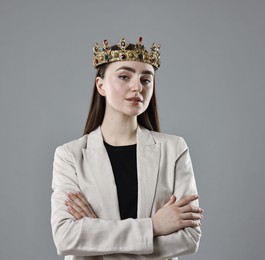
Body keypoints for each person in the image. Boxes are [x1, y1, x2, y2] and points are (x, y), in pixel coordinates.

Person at [51, 37, 203, 260]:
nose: (137, 87)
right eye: (124, 76)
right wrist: (154, 226)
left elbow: (188, 238)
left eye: (146, 79)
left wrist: (97, 235)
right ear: (101, 86)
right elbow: (66, 238)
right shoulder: (70, 156)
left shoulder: (174, 149)